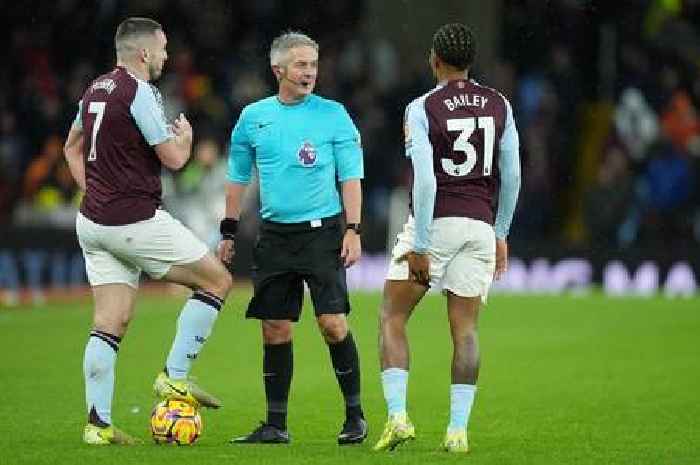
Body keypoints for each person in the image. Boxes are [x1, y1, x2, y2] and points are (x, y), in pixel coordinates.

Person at [63, 17, 233, 445]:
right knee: (217, 280)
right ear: (143, 53)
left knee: (110, 321)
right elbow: (174, 160)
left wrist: (95, 189)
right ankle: (174, 377)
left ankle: (97, 425)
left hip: (93, 223)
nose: (166, 56)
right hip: (133, 220)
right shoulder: (139, 92)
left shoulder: (94, 89)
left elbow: (71, 148)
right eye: (162, 49)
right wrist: (187, 140)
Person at [373, 23, 521, 453]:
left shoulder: (422, 107)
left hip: (436, 223)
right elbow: (511, 174)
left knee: (391, 317)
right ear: (470, 61)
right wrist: (501, 232)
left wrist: (421, 243)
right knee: (466, 331)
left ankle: (398, 417)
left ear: (434, 59)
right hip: (479, 226)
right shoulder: (500, 104)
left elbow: (424, 181)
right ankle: (458, 431)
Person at [218, 31, 367, 445]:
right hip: (275, 236)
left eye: (314, 65)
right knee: (275, 329)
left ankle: (355, 417)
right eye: (301, 64)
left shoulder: (334, 115)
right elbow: (237, 177)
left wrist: (353, 230)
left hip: (322, 234)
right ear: (277, 69)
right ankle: (275, 425)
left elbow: (350, 177)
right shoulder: (253, 117)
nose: (310, 72)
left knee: (333, 324)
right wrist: (228, 231)